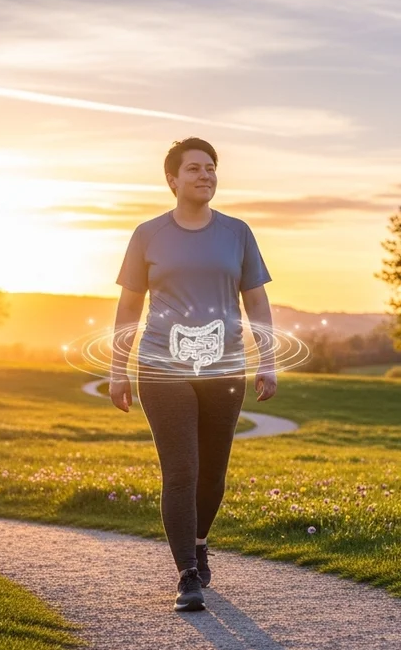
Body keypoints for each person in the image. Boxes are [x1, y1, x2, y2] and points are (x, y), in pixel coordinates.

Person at [108, 137, 277, 612]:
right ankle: (186, 574)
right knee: (181, 471)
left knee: (213, 474)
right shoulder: (148, 234)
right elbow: (128, 306)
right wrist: (117, 370)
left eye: (211, 168)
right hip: (162, 365)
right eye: (195, 169)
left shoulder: (237, 233)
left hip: (225, 367)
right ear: (172, 180)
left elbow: (256, 301)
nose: (206, 176)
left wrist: (267, 360)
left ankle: (200, 541)